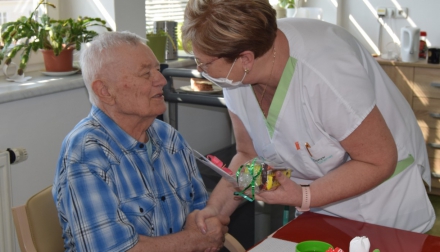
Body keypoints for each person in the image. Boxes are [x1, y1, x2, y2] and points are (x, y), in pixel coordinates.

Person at [181, 0, 435, 233]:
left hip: (382, 205)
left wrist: (304, 196)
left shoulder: (324, 73)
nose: (200, 70)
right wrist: (217, 209)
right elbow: (250, 157)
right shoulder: (236, 74)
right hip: (318, 203)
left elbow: (377, 161)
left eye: (204, 63)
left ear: (245, 58)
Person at [52, 31, 228, 252]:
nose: (161, 80)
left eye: (157, 69)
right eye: (146, 73)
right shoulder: (86, 153)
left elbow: (200, 212)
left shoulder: (168, 137)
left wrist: (207, 222)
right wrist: (196, 240)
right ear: (105, 91)